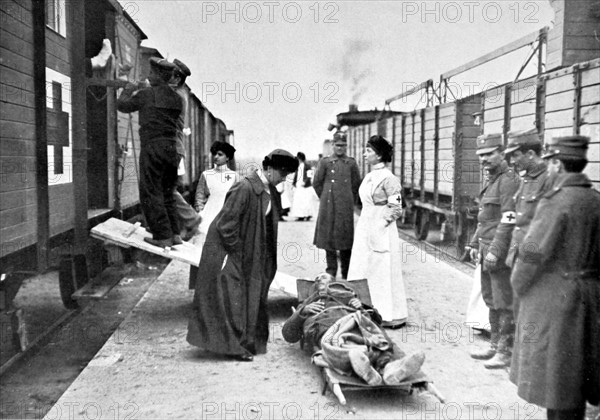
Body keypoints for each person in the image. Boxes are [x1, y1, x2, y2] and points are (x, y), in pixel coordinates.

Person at [510, 135, 599, 420]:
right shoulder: (596, 200)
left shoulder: (555, 203)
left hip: (560, 306)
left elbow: (531, 255)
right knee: (586, 376)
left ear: (558, 165)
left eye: (551, 162)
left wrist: (519, 285)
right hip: (593, 301)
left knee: (561, 386)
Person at [187, 149, 299, 361]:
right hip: (228, 251)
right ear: (268, 169)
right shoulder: (244, 187)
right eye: (282, 173)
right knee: (232, 296)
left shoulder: (268, 190)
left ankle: (247, 341)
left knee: (251, 294)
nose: (283, 179)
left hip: (251, 251)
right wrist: (238, 252)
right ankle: (235, 347)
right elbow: (225, 225)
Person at [282, 273, 425, 386]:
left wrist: (362, 308)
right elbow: (288, 334)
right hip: (328, 327)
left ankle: (388, 369)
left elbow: (377, 322)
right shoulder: (308, 304)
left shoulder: (348, 298)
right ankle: (365, 363)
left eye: (323, 277)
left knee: (375, 337)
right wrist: (303, 312)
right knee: (341, 343)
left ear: (333, 282)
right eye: (316, 279)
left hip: (355, 322)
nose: (319, 280)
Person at [117, 57, 183, 248]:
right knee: (168, 192)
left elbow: (123, 105)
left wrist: (128, 89)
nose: (148, 75)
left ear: (156, 75)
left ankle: (162, 236)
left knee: (150, 191)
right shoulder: (177, 99)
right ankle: (175, 234)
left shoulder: (146, 94)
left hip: (153, 147)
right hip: (172, 149)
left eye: (151, 73)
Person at [465, 133, 519, 369]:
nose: (483, 159)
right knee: (490, 299)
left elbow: (508, 220)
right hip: (487, 249)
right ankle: (495, 346)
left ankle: (506, 352)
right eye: (480, 155)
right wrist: (475, 243)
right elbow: (484, 219)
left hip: (499, 251)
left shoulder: (509, 180)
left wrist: (495, 251)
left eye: (488, 154)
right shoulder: (492, 179)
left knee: (504, 300)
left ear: (502, 152)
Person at [347, 135, 407, 328]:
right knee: (362, 266)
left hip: (382, 229)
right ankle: (363, 309)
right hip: (365, 226)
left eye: (369, 151)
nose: (365, 154)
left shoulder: (390, 179)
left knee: (381, 270)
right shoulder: (369, 177)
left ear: (379, 155)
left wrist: (381, 224)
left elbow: (396, 207)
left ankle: (387, 314)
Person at [503, 128, 552, 316]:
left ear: (531, 154)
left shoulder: (547, 180)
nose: (512, 161)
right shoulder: (526, 178)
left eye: (515, 155)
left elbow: (545, 227)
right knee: (518, 309)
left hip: (534, 260)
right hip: (519, 256)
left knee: (532, 313)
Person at [313, 132, 361, 279]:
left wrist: (348, 199)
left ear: (346, 146)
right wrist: (327, 196)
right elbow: (317, 183)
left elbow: (356, 184)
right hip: (328, 205)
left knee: (346, 239)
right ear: (333, 145)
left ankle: (346, 273)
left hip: (345, 206)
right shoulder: (325, 162)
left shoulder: (351, 163)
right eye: (337, 145)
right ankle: (331, 272)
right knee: (329, 239)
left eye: (343, 145)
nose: (340, 148)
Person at [170, 58, 202, 241]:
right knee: (167, 190)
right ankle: (181, 225)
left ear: (176, 77)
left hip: (173, 149)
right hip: (176, 149)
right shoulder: (179, 94)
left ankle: (191, 219)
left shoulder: (176, 96)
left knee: (166, 190)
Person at [193, 141, 239, 235]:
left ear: (227, 157)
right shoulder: (206, 175)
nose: (216, 157)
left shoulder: (234, 176)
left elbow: (237, 198)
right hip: (208, 216)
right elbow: (199, 196)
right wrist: (201, 212)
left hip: (226, 216)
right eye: (214, 154)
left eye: (220, 154)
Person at [290, 152, 314, 221]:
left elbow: (309, 175)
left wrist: (305, 182)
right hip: (298, 186)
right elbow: (296, 176)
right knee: (299, 201)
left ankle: (307, 215)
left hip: (305, 187)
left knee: (306, 201)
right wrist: (293, 184)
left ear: (300, 158)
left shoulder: (307, 165)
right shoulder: (298, 166)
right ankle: (300, 215)